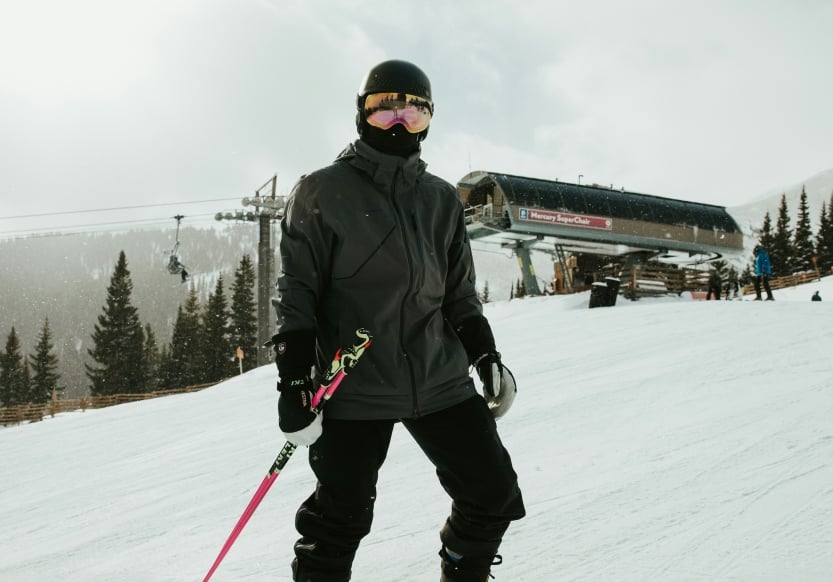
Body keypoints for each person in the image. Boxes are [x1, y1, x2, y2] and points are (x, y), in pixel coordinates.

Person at [271, 59, 525, 582]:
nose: (399, 123)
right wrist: (295, 381)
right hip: (355, 381)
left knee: (493, 494)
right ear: (361, 115)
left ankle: (463, 570)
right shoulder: (321, 192)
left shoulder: (440, 199)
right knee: (339, 520)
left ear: (429, 120)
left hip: (439, 377)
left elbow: (459, 295)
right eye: (385, 110)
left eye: (414, 112)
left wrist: (486, 355)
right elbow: (297, 294)